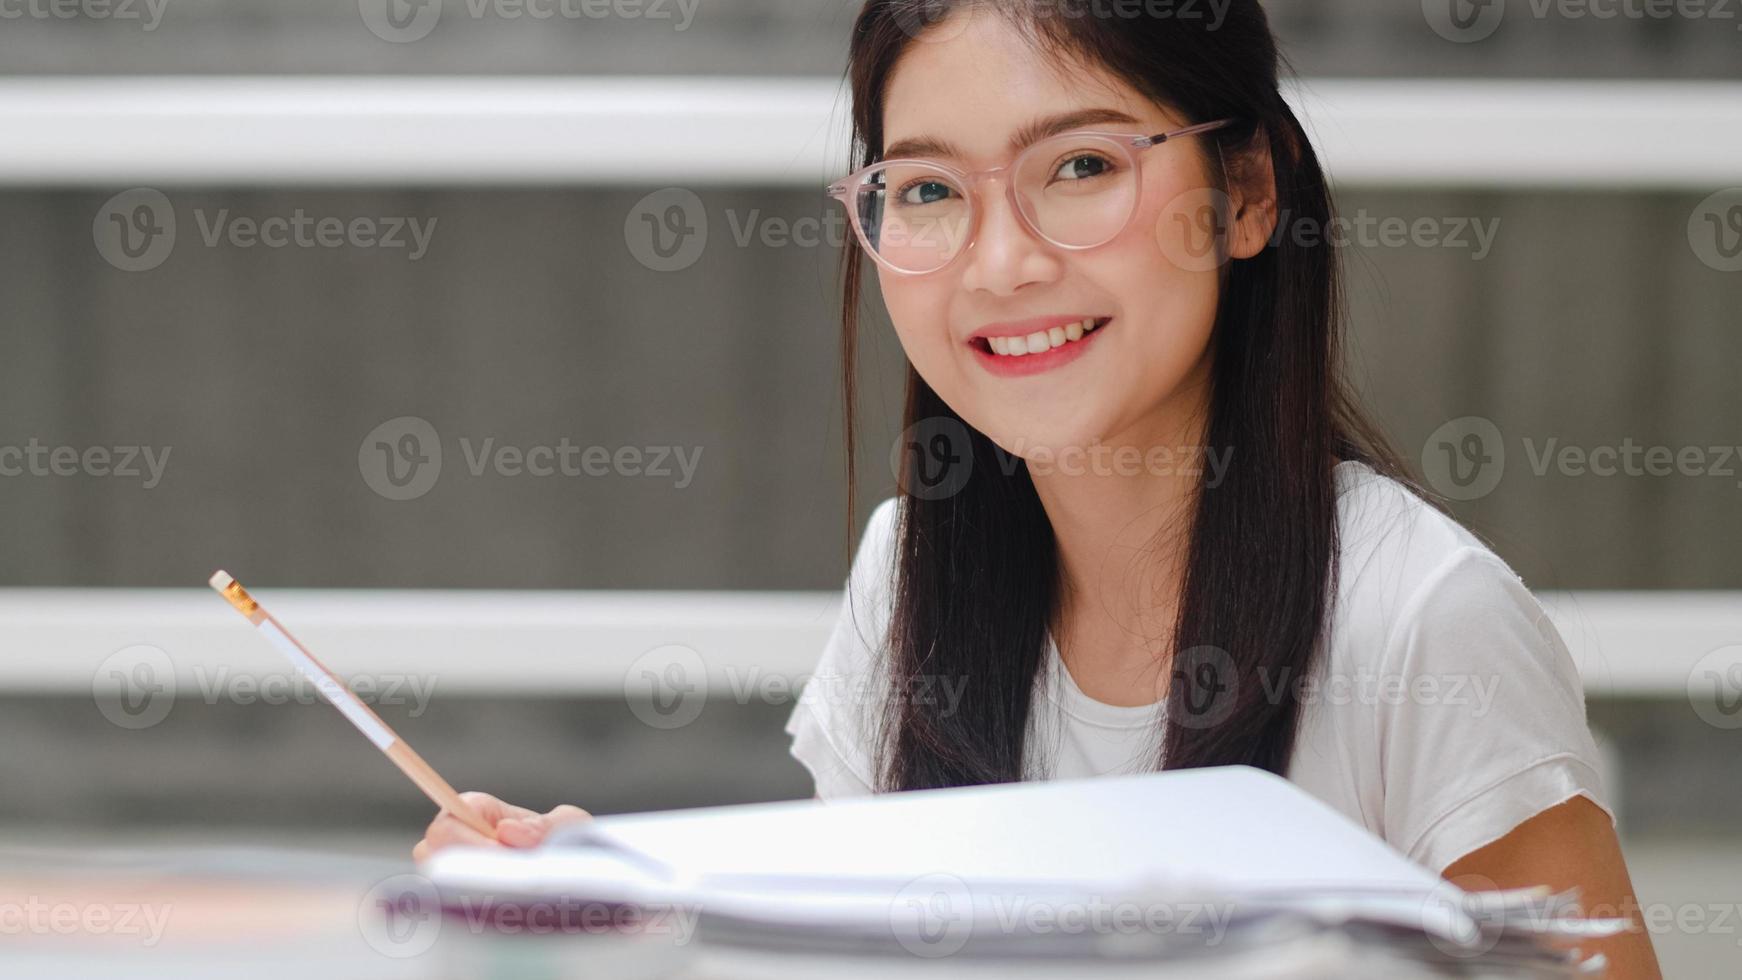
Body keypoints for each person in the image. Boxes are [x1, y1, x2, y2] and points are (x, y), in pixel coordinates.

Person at [417, 2, 1659, 975]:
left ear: (1246, 192)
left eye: (1076, 167)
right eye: (927, 191)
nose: (1000, 262)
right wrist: (620, 904)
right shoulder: (906, 572)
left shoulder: (1421, 620)